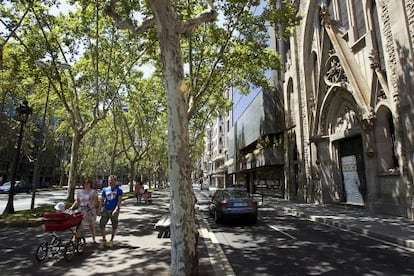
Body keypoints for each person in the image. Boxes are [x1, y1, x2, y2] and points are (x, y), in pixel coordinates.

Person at [99, 174, 123, 249]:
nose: (110, 182)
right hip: (106, 209)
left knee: (114, 225)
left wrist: (117, 209)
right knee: (102, 224)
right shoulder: (105, 189)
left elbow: (119, 201)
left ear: (115, 181)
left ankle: (111, 240)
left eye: (112, 180)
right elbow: (102, 200)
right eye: (109, 180)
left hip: (114, 210)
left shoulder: (119, 190)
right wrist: (100, 208)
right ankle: (104, 240)